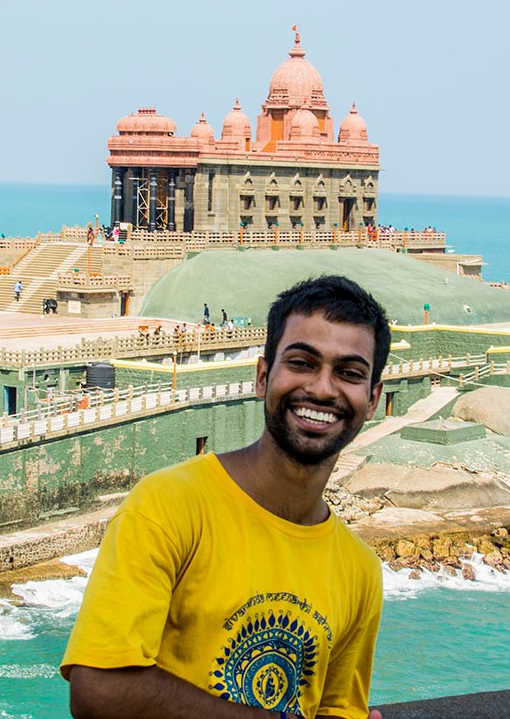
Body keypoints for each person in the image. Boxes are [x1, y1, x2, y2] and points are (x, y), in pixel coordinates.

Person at [63, 276, 388, 719]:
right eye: (301, 363)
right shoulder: (167, 506)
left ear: (371, 401)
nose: (323, 389)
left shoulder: (360, 570)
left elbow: (336, 710)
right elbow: (99, 689)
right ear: (262, 377)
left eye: (349, 373)